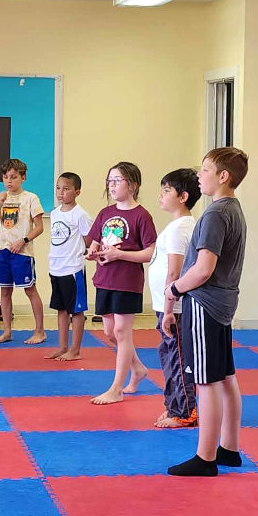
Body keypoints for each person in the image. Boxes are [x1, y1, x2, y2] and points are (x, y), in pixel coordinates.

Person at [165, 147, 248, 477]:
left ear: (223, 176)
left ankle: (206, 457)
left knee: (206, 381)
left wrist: (173, 290)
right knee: (225, 376)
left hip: (204, 304)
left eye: (205, 170)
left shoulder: (215, 214)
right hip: (223, 303)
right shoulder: (233, 209)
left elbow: (202, 269)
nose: (199, 175)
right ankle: (229, 448)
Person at [86, 162, 156, 405]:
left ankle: (116, 388)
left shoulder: (141, 215)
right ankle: (138, 369)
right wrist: (93, 252)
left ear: (133, 185)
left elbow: (149, 253)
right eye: (110, 181)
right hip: (104, 278)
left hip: (127, 281)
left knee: (121, 331)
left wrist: (120, 255)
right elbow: (96, 240)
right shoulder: (105, 213)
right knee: (109, 332)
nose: (112, 185)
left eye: (117, 180)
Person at [148, 168, 199, 428]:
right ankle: (173, 406)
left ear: (183, 196)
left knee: (177, 358)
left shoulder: (181, 228)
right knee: (169, 356)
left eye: (167, 190)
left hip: (175, 307)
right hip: (167, 305)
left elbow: (174, 271)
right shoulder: (176, 225)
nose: (161, 195)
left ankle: (185, 411)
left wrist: (169, 308)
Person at [0, 158, 45, 344]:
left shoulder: (30, 198)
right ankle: (7, 332)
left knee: (30, 289)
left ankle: (40, 331)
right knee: (5, 292)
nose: (9, 181)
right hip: (2, 251)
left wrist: (24, 240)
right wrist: (0, 205)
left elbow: (40, 227)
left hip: (22, 252)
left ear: (23, 177)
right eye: (5, 177)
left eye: (13, 177)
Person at [45, 172, 93, 361]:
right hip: (56, 267)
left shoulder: (80, 215)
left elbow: (88, 240)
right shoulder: (55, 213)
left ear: (77, 192)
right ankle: (63, 346)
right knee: (61, 309)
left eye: (66, 189)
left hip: (73, 269)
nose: (61, 193)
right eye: (58, 188)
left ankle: (75, 349)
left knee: (76, 310)